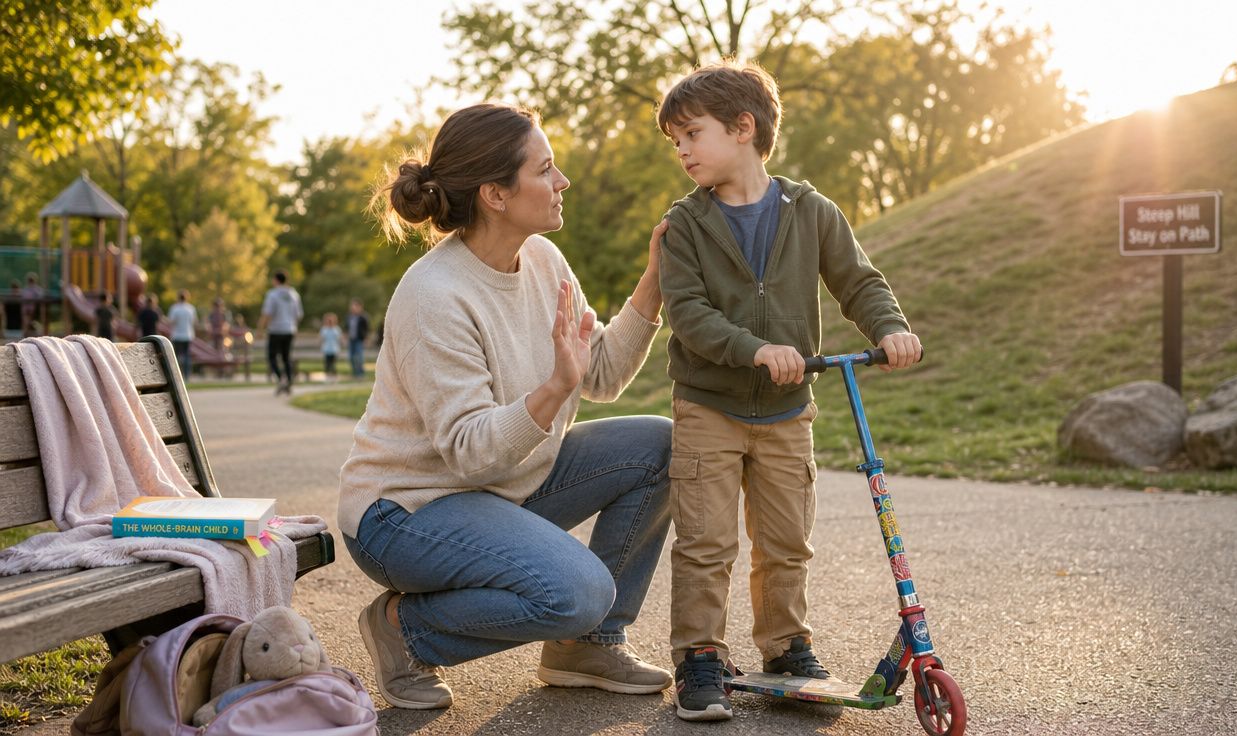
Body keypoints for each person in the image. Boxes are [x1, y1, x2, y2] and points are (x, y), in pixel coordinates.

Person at [338, 103, 672, 712]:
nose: (562, 181)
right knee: (576, 590)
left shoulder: (542, 259)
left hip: (500, 488)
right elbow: (467, 453)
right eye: (545, 169)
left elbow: (599, 374)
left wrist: (655, 280)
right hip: (408, 512)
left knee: (659, 445)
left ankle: (587, 646)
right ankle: (404, 630)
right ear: (495, 192)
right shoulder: (434, 295)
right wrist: (550, 390)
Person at [655, 60, 923, 721]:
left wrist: (891, 330)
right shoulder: (685, 223)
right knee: (707, 542)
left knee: (785, 540)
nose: (683, 150)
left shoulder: (811, 210)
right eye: (676, 141)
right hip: (708, 406)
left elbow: (859, 281)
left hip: (784, 411)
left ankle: (785, 646)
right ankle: (700, 657)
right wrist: (754, 348)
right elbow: (686, 311)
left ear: (743, 128)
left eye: (692, 133)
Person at [259, 270, 303, 396]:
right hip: (289, 329)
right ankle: (288, 380)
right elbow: (299, 315)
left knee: (272, 356)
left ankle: (280, 378)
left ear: (276, 280)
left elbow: (267, 314)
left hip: (276, 330)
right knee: (286, 357)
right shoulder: (294, 295)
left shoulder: (272, 294)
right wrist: (293, 326)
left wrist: (261, 329)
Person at [166, 290, 198, 380]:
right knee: (187, 356)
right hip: (188, 335)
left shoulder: (175, 308)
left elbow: (171, 321)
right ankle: (187, 375)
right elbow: (194, 322)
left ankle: (176, 375)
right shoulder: (191, 308)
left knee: (176, 356)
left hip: (177, 335)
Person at [345, 298, 370, 379]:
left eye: (355, 306)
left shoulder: (363, 317)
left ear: (360, 307)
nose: (353, 308)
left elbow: (367, 329)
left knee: (359, 357)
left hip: (359, 339)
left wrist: (366, 338)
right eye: (352, 306)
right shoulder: (349, 317)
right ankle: (354, 373)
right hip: (351, 339)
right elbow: (346, 327)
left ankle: (360, 374)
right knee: (351, 357)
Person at [319, 312, 343, 383]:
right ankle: (327, 375)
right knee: (327, 363)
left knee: (333, 363)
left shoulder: (336, 329)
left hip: (334, 349)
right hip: (327, 349)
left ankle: (333, 376)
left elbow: (340, 338)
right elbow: (321, 338)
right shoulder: (324, 329)